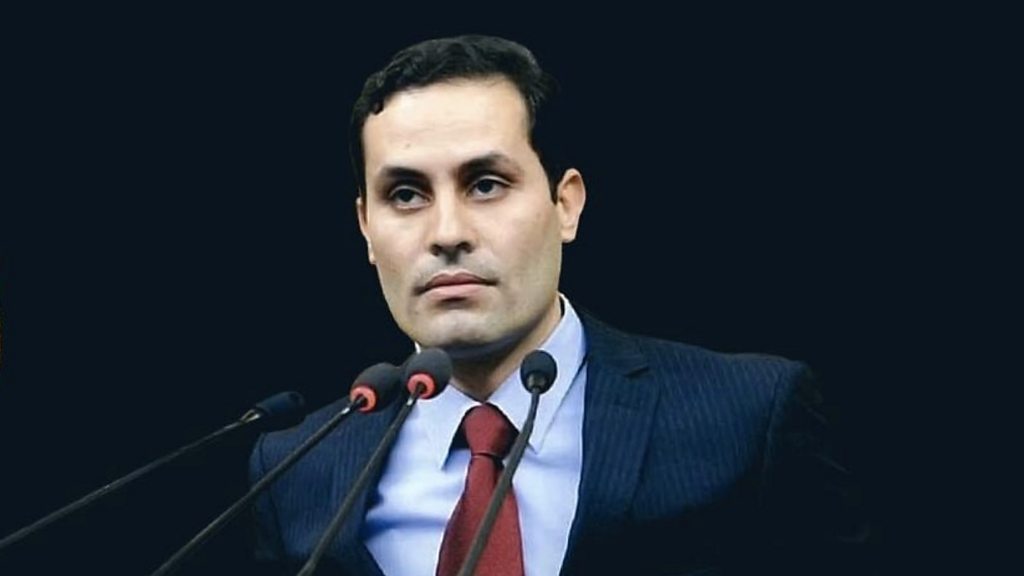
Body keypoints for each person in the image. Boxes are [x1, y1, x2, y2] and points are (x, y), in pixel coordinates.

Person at [249, 34, 871, 575]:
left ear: (565, 204)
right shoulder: (296, 470)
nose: (446, 232)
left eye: (485, 184)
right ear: (365, 227)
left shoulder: (748, 416)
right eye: (406, 194)